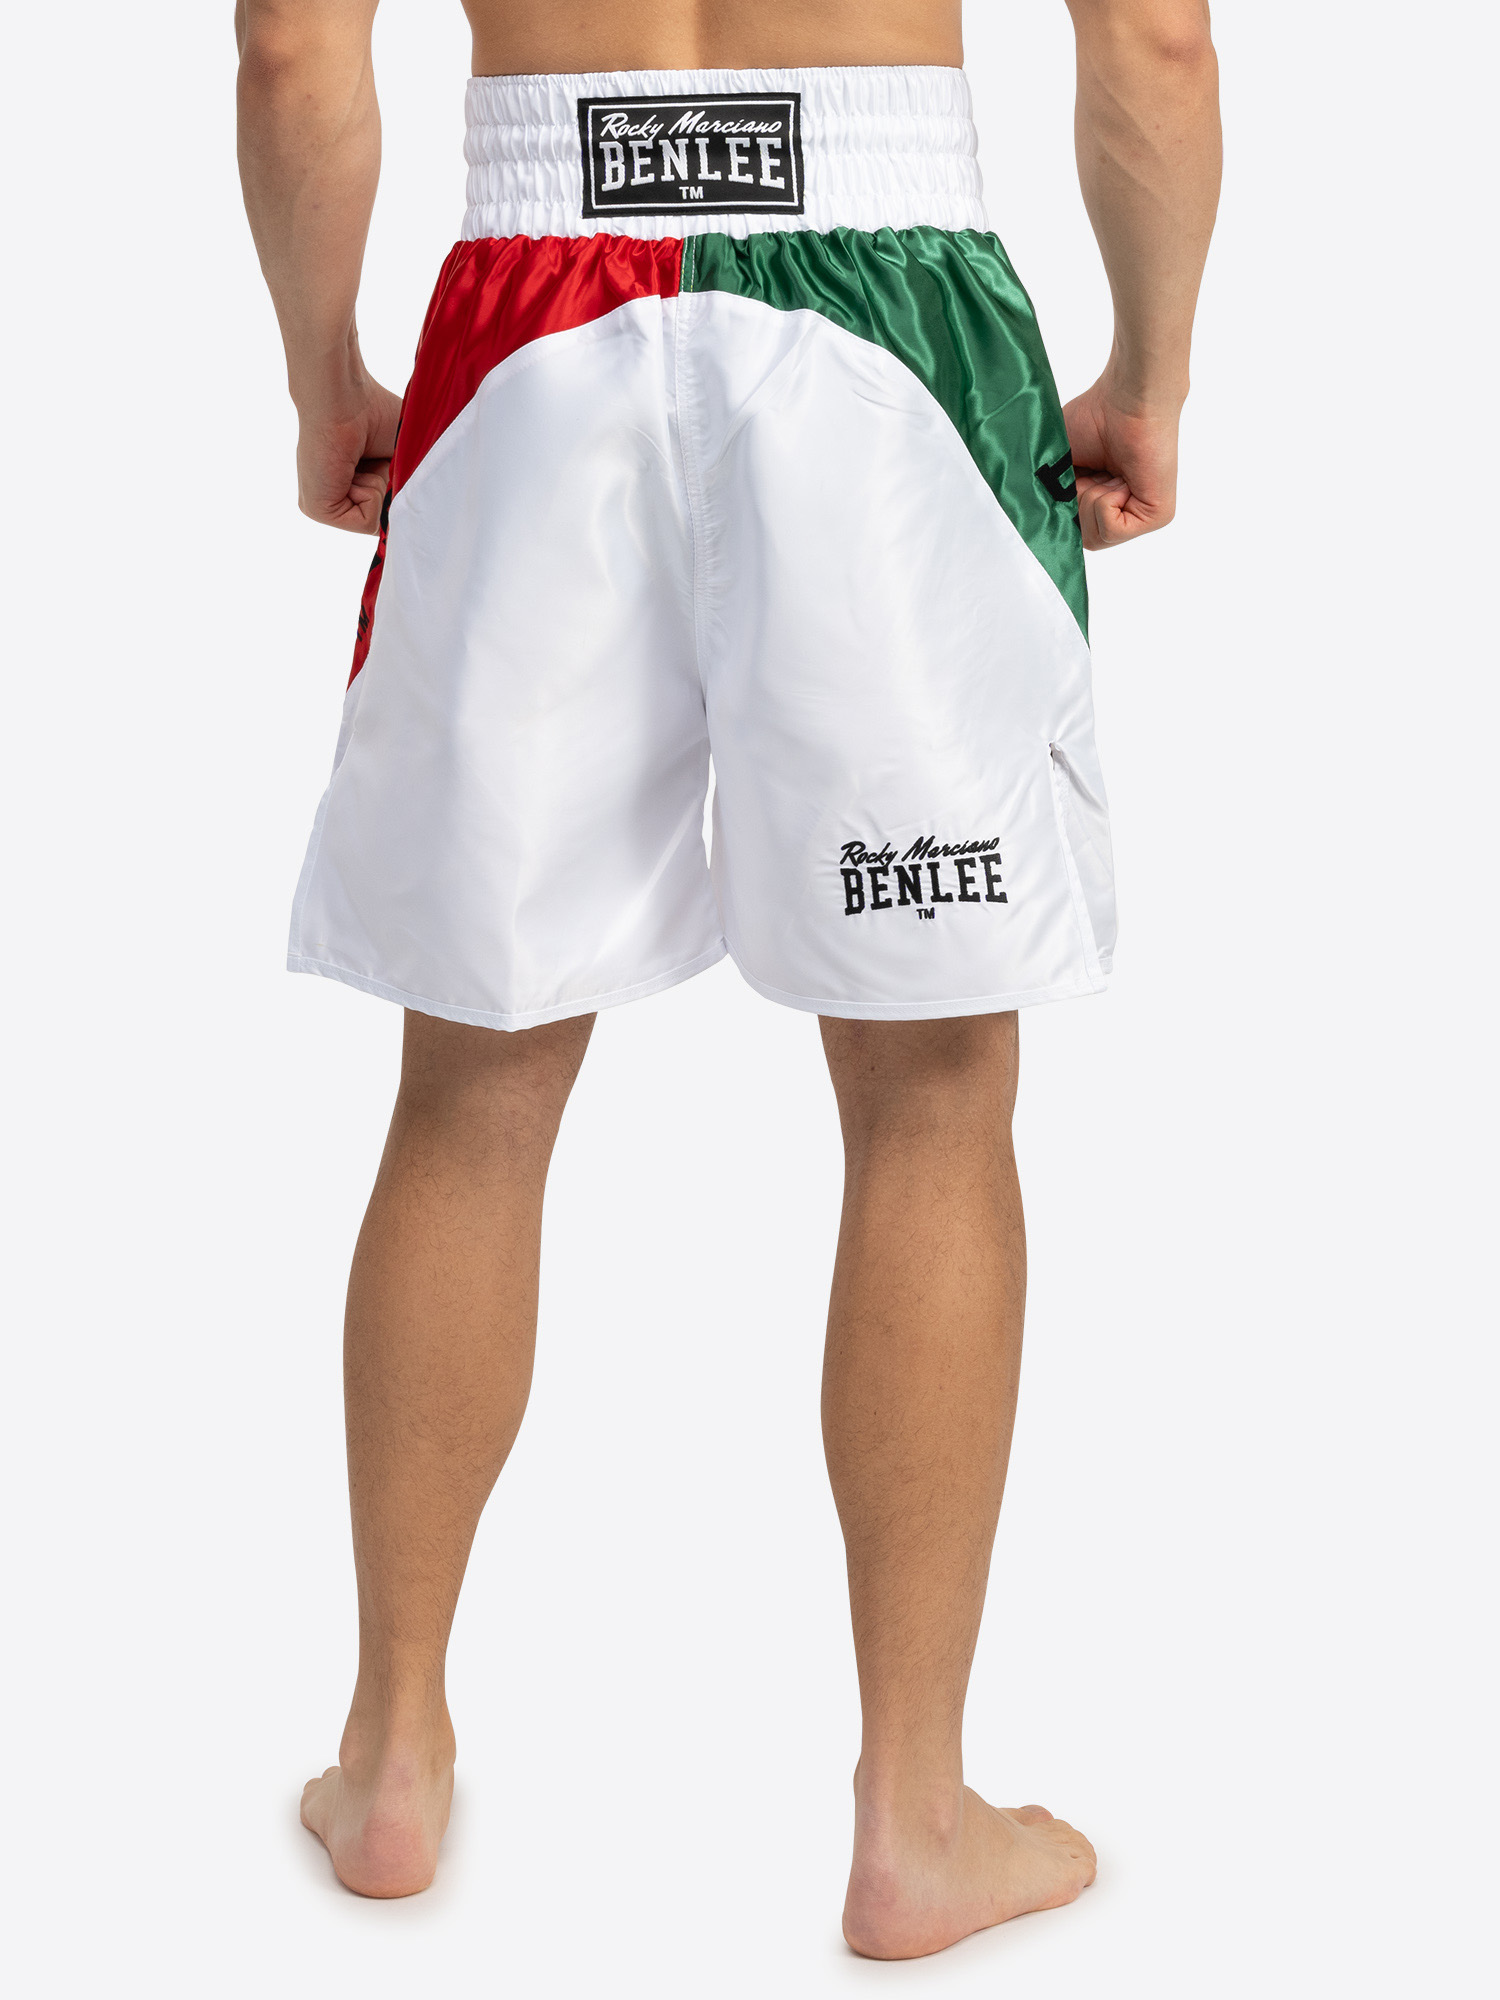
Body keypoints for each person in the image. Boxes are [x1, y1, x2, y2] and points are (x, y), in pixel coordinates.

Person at [236, 0, 1220, 1957]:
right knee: (931, 1086)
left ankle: (393, 1751)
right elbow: (1156, 43)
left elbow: (290, 53)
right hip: (894, 312)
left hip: (531, 303)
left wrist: (321, 370)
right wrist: (1154, 375)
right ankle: (913, 1816)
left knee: (474, 1075)